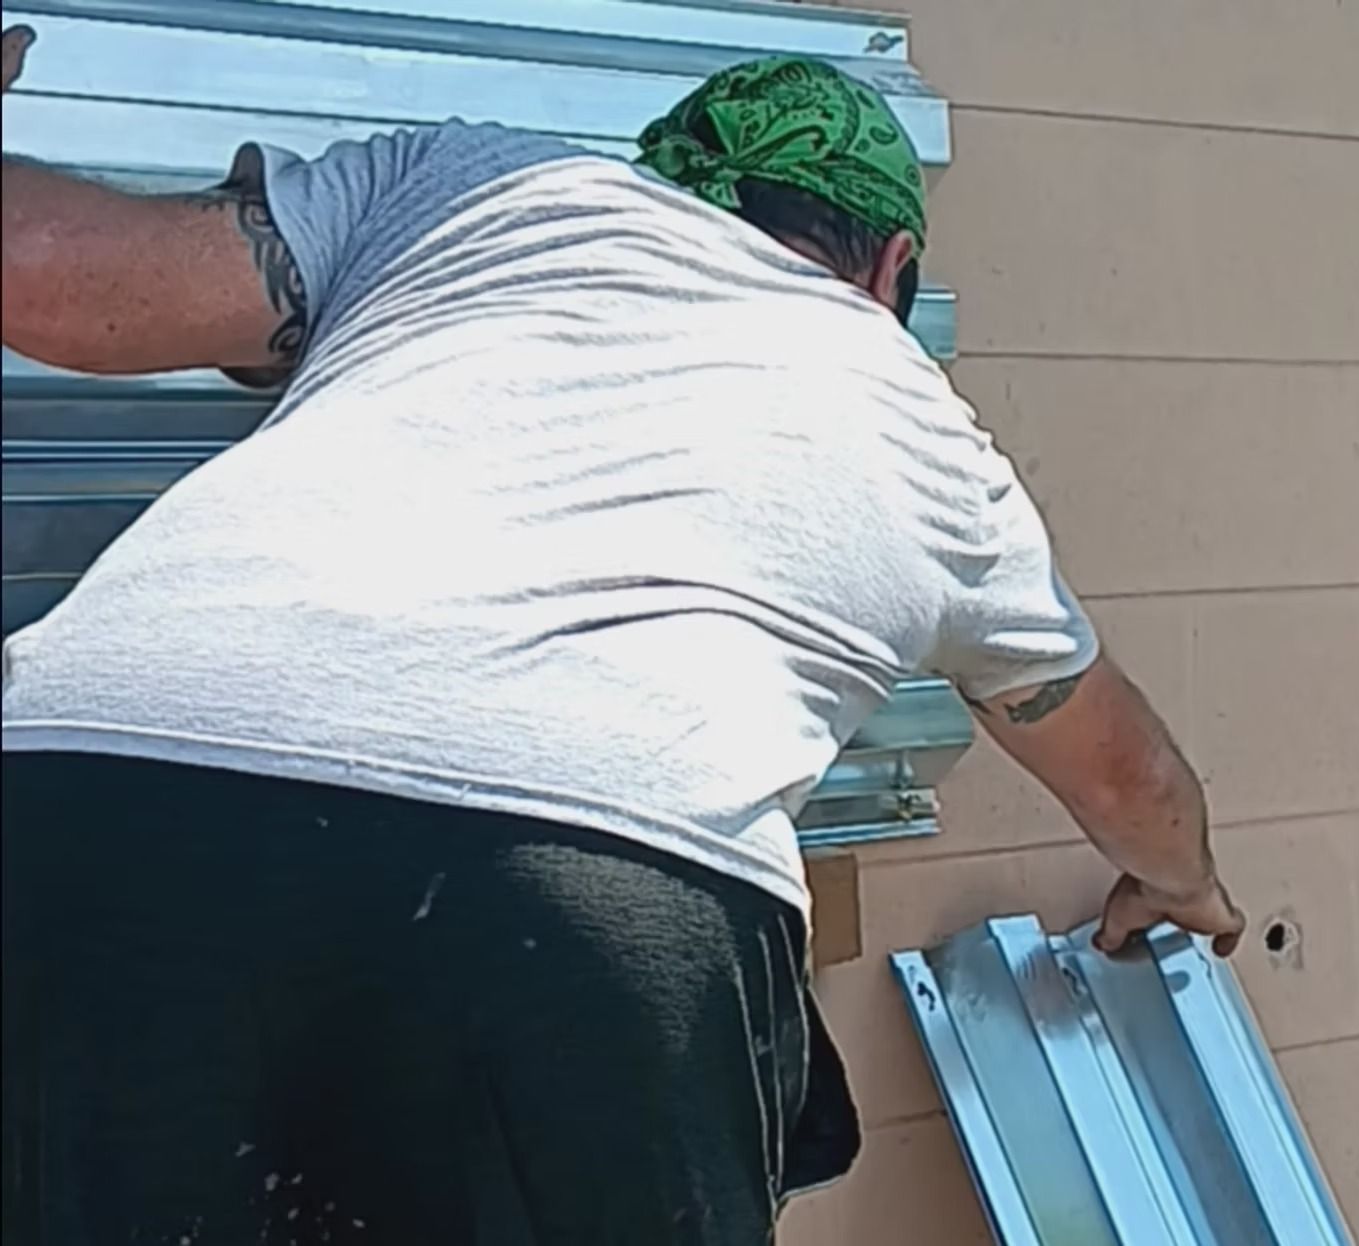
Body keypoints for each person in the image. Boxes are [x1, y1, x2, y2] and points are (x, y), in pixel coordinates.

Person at [0, 26, 1245, 1246]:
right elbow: (1123, 771)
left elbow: (57, 280)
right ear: (891, 269)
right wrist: (1182, 881)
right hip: (583, 894)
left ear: (666, 176)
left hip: (80, 801)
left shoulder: (468, 190)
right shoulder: (924, 429)